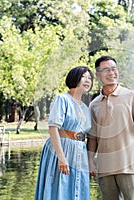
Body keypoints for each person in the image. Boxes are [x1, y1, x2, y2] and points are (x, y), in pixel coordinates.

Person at [87, 56, 134, 200]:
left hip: (129, 167)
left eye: (114, 69)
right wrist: (90, 161)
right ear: (98, 75)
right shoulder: (94, 104)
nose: (111, 73)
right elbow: (93, 137)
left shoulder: (131, 96)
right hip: (105, 168)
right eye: (106, 70)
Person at [34, 66, 94, 200]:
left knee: (78, 190)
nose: (87, 80)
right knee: (59, 189)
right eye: (83, 76)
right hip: (63, 149)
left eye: (89, 78)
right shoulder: (62, 99)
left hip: (80, 152)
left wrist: (90, 162)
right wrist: (61, 157)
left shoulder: (85, 107)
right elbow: (53, 128)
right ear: (74, 78)